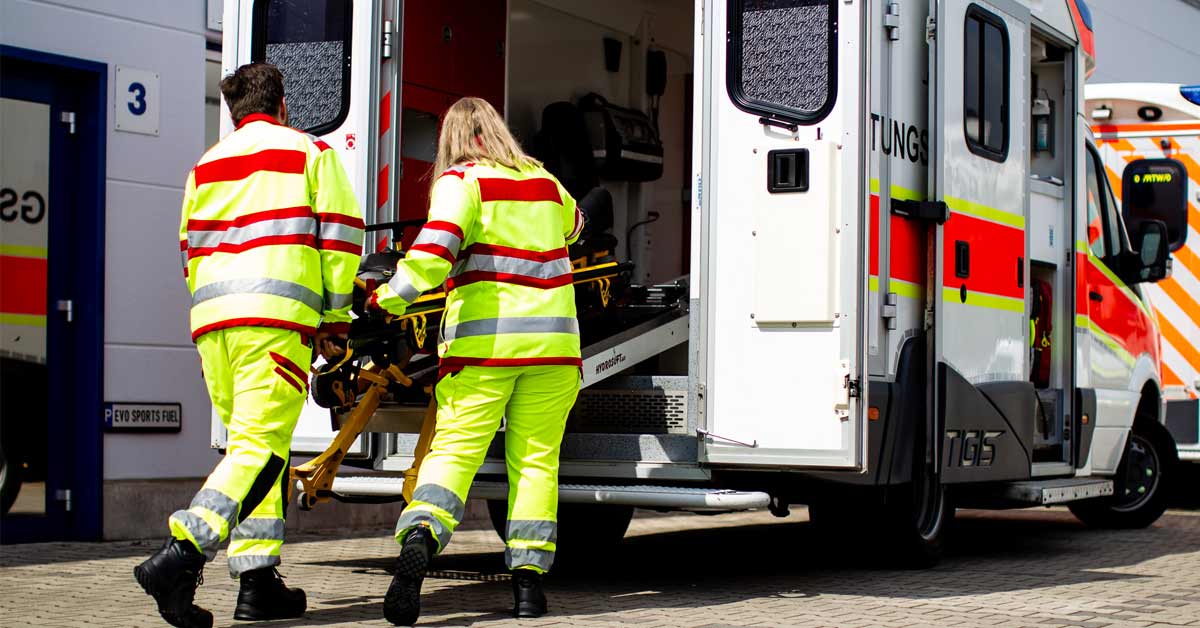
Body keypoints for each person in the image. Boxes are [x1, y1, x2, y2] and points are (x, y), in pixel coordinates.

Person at [133, 62, 363, 628]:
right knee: (260, 449)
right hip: (275, 319)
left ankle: (257, 582)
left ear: (236, 113)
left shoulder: (205, 166)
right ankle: (181, 554)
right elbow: (339, 236)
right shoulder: (308, 153)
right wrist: (335, 318)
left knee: (252, 447)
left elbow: (189, 248)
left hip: (214, 322)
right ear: (283, 104)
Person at [370, 97, 586, 626]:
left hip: (485, 349)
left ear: (453, 140)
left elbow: (431, 257)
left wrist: (384, 302)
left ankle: (421, 538)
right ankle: (529, 587)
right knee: (536, 465)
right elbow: (575, 228)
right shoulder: (542, 180)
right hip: (555, 351)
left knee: (455, 454)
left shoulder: (461, 183)